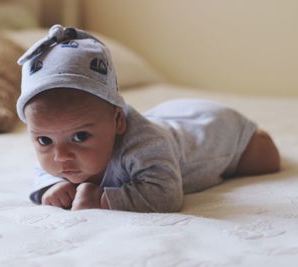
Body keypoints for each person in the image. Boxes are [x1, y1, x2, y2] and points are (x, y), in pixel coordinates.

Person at [16, 25, 280, 213]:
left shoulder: (144, 144)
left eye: (80, 136)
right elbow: (45, 170)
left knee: (266, 158)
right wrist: (53, 186)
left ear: (118, 120)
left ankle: (254, 134)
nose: (61, 157)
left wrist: (103, 199)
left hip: (211, 130)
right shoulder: (59, 148)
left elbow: (166, 195)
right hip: (168, 116)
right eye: (44, 140)